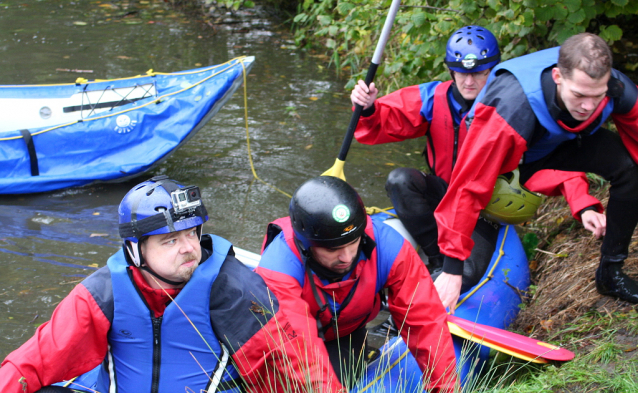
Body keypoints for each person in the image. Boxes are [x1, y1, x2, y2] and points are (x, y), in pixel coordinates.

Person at [0, 176, 343, 393]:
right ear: (136, 251)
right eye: (169, 241)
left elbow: (298, 370)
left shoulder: (236, 290)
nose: (189, 248)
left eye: (192, 233)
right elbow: (35, 360)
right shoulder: (103, 294)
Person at [351, 25, 605, 293]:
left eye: (479, 73)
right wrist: (367, 108)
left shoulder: (515, 108)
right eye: (462, 73)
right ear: (451, 70)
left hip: (486, 209)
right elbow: (383, 121)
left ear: (493, 71)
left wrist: (584, 204)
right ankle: (438, 259)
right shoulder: (433, 98)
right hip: (446, 194)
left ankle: (444, 274)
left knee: (468, 275)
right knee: (400, 180)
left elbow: (555, 164)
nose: (469, 82)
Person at [433, 32, 638, 309]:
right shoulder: (510, 108)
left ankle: (610, 273)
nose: (589, 106)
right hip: (509, 158)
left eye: (596, 96)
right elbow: (468, 184)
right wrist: (452, 268)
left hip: (560, 142)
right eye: (579, 95)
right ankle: (432, 282)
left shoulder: (618, 89)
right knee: (467, 272)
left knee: (629, 170)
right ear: (558, 77)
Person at [256, 176, 458, 392]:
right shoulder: (277, 270)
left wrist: (446, 387)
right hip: (293, 339)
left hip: (345, 332)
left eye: (352, 243)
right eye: (333, 249)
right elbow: (297, 349)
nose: (346, 257)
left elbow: (425, 321)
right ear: (307, 245)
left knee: (347, 377)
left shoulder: (389, 247)